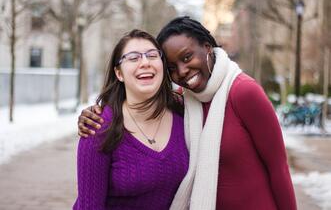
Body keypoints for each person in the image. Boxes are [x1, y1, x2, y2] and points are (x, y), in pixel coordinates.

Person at [77, 16, 297, 210]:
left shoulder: (242, 92)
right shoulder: (185, 103)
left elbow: (278, 168)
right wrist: (95, 114)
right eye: (172, 67)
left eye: (187, 57)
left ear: (207, 47)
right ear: (119, 72)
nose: (181, 71)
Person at [73, 29, 189, 210]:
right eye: (133, 58)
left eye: (152, 55)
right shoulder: (98, 127)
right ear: (119, 73)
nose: (145, 63)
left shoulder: (184, 115)